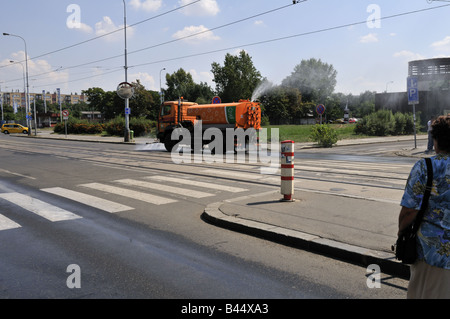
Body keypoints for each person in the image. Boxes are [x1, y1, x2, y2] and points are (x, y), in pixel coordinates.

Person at [398, 115, 450, 298]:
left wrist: (401, 233)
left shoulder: (424, 167)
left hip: (429, 255)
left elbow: (409, 211)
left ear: (435, 140)